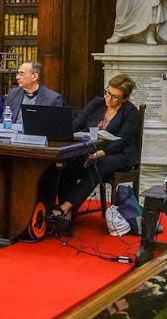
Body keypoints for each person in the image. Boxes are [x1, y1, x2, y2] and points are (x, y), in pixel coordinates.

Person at [49, 74, 142, 232]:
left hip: (119, 155)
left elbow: (123, 141)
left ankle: (65, 207)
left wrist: (100, 153)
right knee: (68, 164)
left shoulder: (130, 112)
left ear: (125, 99)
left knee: (98, 165)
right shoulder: (97, 103)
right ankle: (68, 215)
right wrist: (62, 133)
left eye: (115, 97)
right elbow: (78, 124)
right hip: (90, 150)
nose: (109, 99)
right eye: (108, 93)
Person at [3, 60, 67, 127]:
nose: (17, 77)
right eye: (17, 74)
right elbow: (3, 120)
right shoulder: (13, 94)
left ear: (34, 77)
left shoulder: (52, 99)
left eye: (22, 74)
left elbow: (56, 127)